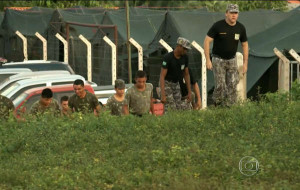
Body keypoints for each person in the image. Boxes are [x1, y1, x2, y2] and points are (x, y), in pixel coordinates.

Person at [204, 4, 248, 106]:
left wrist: (245, 63)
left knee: (233, 84)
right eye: (231, 13)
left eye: (236, 13)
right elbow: (207, 41)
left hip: (232, 60)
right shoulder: (218, 26)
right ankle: (217, 105)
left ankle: (230, 108)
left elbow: (245, 45)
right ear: (226, 13)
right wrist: (208, 59)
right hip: (218, 60)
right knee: (220, 85)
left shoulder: (240, 28)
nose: (234, 15)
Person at [159, 37, 192, 111]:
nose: (185, 51)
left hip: (176, 83)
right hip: (167, 83)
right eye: (184, 49)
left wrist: (189, 92)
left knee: (179, 106)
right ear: (179, 46)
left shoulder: (185, 58)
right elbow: (162, 76)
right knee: (171, 107)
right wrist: (163, 94)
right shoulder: (167, 57)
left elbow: (186, 74)